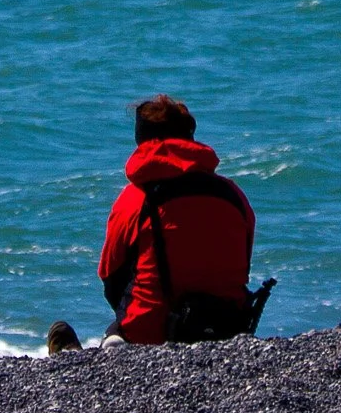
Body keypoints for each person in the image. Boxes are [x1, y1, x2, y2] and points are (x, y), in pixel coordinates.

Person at [97, 94, 260, 346]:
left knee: (115, 330)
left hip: (151, 330)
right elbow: (243, 264)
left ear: (141, 141)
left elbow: (110, 276)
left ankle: (86, 349)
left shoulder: (134, 198)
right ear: (190, 139)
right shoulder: (233, 194)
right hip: (227, 328)